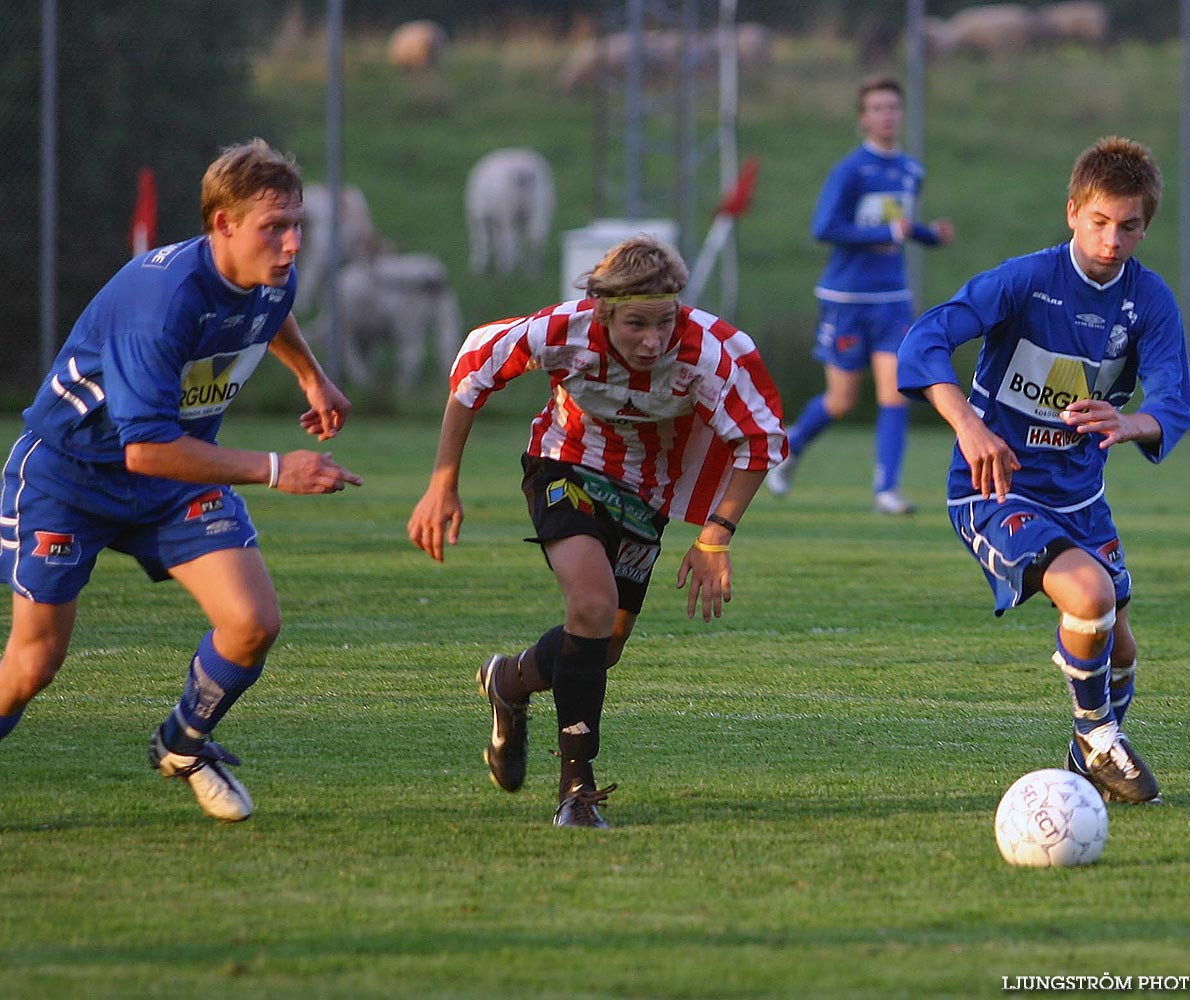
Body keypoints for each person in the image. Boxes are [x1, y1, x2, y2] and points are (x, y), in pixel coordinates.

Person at [0, 139, 364, 822]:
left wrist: (311, 375)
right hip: (71, 477)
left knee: (252, 623)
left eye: (297, 225)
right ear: (222, 225)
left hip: (174, 476)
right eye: (273, 228)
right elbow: (146, 451)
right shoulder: (159, 302)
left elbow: (268, 311)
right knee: (31, 665)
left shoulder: (267, 271)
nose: (290, 245)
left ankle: (182, 741)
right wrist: (277, 469)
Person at [407, 235, 786, 828]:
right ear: (602, 311)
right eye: (636, 323)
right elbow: (473, 373)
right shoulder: (562, 331)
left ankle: (510, 679)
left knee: (602, 645)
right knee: (591, 602)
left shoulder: (710, 350)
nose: (652, 340)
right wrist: (442, 483)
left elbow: (760, 440)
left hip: (646, 495)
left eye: (664, 323)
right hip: (566, 466)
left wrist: (716, 535)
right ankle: (576, 792)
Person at [897, 136, 1190, 804]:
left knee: (1119, 649)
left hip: (1083, 500)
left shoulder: (1150, 304)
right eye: (1099, 221)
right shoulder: (1025, 281)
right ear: (1072, 213)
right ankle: (1095, 737)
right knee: (1088, 595)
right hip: (995, 491)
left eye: (1129, 225)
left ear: (1146, 226)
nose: (1112, 239)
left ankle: (1086, 751)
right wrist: (969, 427)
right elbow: (924, 338)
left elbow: (1173, 401)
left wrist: (1132, 421)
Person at [767, 74, 953, 514]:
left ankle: (886, 490)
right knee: (842, 400)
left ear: (901, 113)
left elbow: (901, 227)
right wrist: (885, 231)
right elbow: (825, 228)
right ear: (863, 118)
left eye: (893, 107)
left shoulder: (910, 171)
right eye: (878, 108)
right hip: (847, 299)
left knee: (895, 392)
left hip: (893, 300)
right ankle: (789, 449)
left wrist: (930, 236)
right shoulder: (851, 170)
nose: (887, 115)